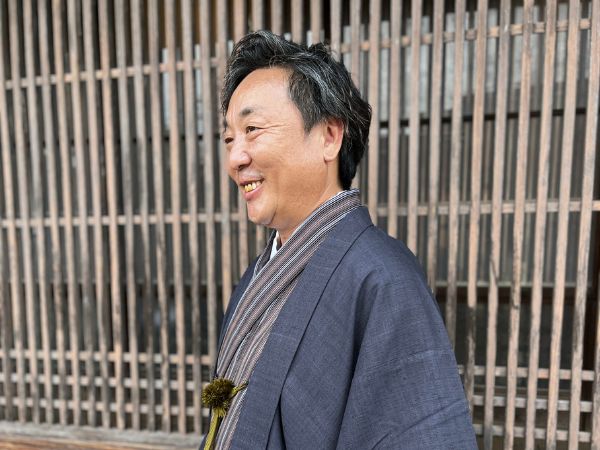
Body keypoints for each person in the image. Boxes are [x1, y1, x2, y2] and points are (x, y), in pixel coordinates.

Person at [201, 30, 477, 450]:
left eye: (252, 129)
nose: (235, 158)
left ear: (329, 136)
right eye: (229, 138)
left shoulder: (381, 277)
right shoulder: (262, 272)